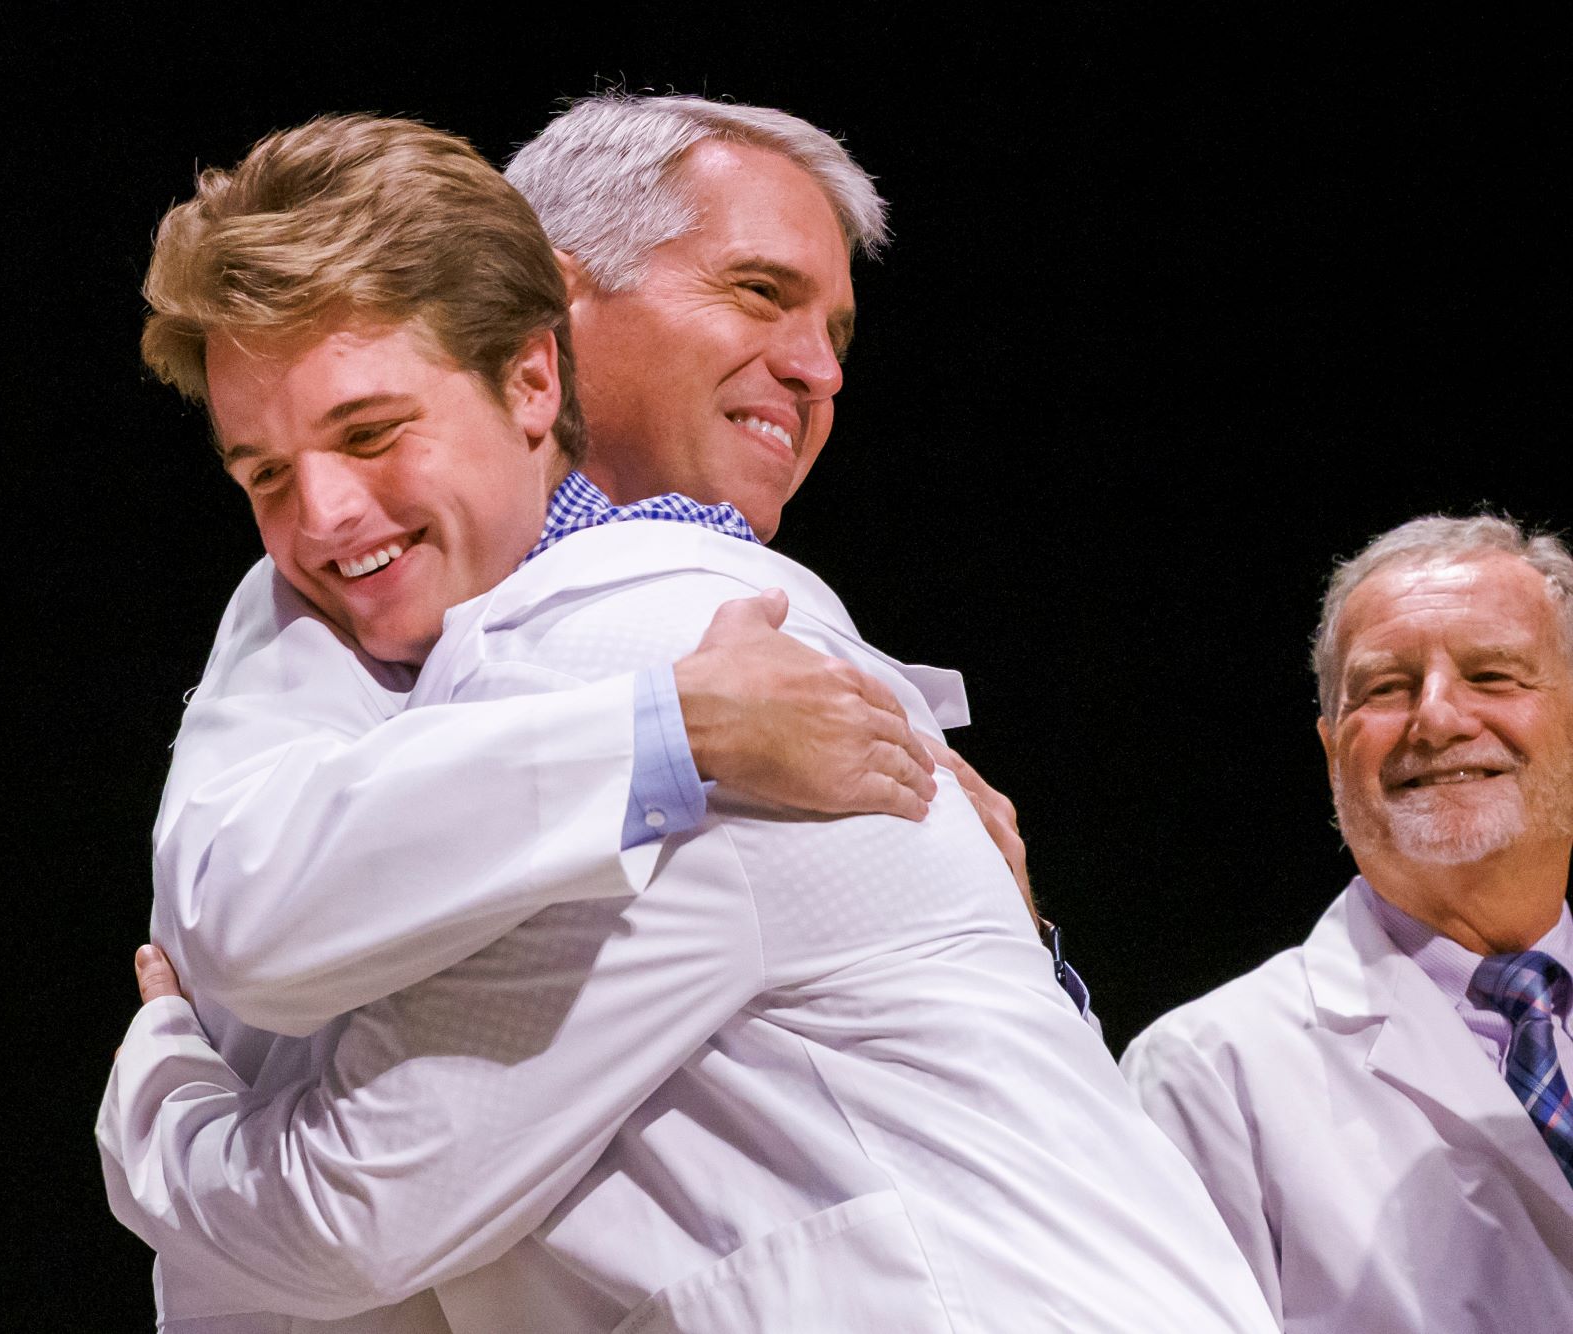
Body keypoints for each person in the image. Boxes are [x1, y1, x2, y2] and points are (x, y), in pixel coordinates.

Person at [98, 111, 1276, 1333]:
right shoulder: (563, 648)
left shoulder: (658, 645)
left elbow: (347, 1210)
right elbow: (246, 891)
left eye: (370, 432)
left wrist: (158, 1080)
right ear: (555, 315)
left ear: (529, 372)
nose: (814, 366)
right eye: (265, 474)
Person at [1121, 514, 1573, 1331]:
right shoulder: (1208, 1072)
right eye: (1386, 689)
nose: (1436, 719)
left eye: (1493, 675)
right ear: (1334, 755)